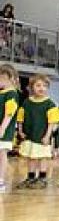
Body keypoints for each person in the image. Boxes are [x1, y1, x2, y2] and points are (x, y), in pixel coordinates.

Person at [15, 74, 59, 189]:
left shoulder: (50, 104)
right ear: (31, 87)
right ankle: (31, 177)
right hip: (29, 135)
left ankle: (42, 178)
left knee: (42, 157)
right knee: (31, 157)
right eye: (38, 85)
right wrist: (20, 131)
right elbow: (20, 118)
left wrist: (47, 136)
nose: (41, 88)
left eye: (44, 86)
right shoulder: (26, 102)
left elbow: (52, 122)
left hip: (42, 136)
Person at [0, 63, 17, 193]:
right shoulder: (2, 92)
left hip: (4, 129)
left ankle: (1, 181)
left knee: (2, 154)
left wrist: (3, 127)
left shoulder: (11, 94)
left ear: (9, 78)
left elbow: (9, 113)